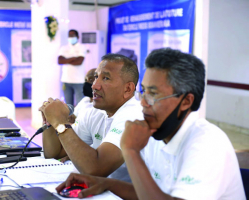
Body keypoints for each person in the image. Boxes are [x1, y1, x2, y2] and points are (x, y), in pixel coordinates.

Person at [55, 48, 246, 200]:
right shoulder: (156, 132)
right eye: (144, 91)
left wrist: (130, 152)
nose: (144, 102)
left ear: (186, 102)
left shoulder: (207, 143)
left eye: (153, 94)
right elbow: (150, 194)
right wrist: (102, 183)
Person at [39, 54, 143, 182]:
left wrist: (60, 123)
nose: (94, 85)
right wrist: (50, 121)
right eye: (96, 77)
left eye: (105, 78)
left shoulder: (134, 117)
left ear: (128, 89)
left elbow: (95, 169)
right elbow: (55, 153)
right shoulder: (95, 112)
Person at [58, 29, 86, 105]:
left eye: (73, 35)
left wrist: (66, 60)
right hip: (66, 80)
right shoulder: (64, 48)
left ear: (78, 37)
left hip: (78, 81)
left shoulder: (82, 47)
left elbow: (79, 62)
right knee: (68, 106)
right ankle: (70, 117)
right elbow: (60, 61)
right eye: (69, 36)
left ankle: (79, 117)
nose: (71, 37)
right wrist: (73, 58)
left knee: (80, 105)